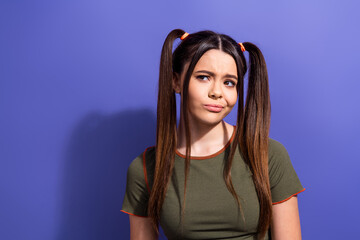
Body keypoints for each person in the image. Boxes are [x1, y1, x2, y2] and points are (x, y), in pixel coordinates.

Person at [121, 29, 305, 240]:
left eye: (229, 82)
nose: (217, 92)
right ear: (176, 81)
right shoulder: (145, 169)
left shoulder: (268, 154)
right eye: (204, 77)